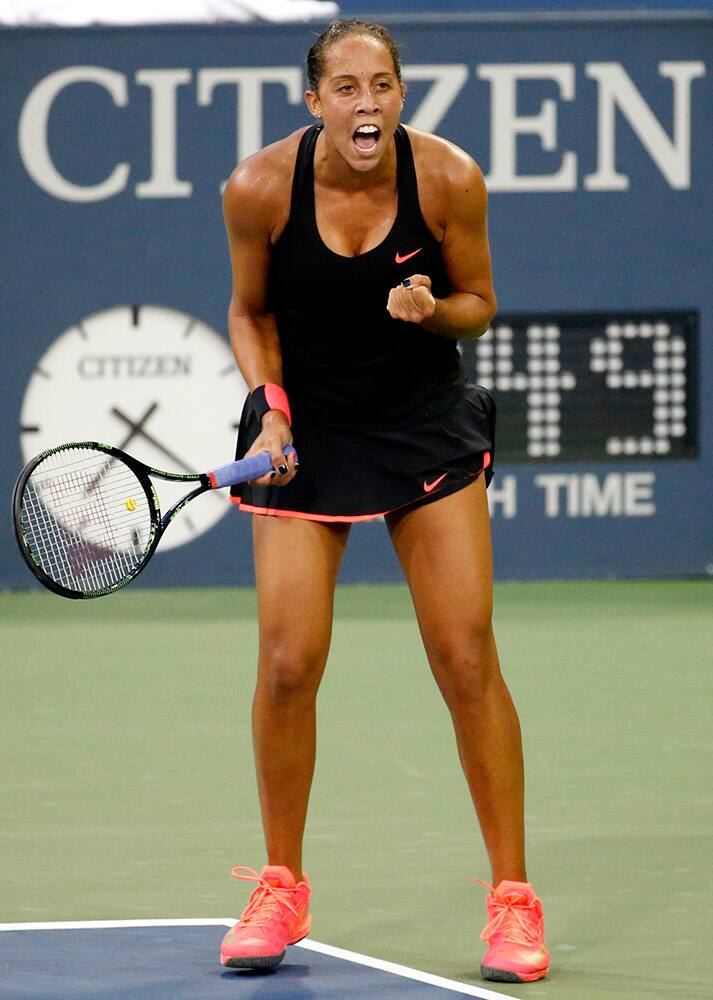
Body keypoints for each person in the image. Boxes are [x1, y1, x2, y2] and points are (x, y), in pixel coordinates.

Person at [219, 18, 550, 984]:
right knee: (287, 663)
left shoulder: (447, 180)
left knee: (463, 656)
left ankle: (513, 904)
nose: (368, 105)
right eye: (348, 88)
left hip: (420, 423)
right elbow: (251, 311)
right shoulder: (257, 190)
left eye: (384, 86)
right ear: (313, 100)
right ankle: (280, 886)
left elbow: (480, 304)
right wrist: (269, 414)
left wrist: (432, 310)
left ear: (400, 94)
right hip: (304, 432)